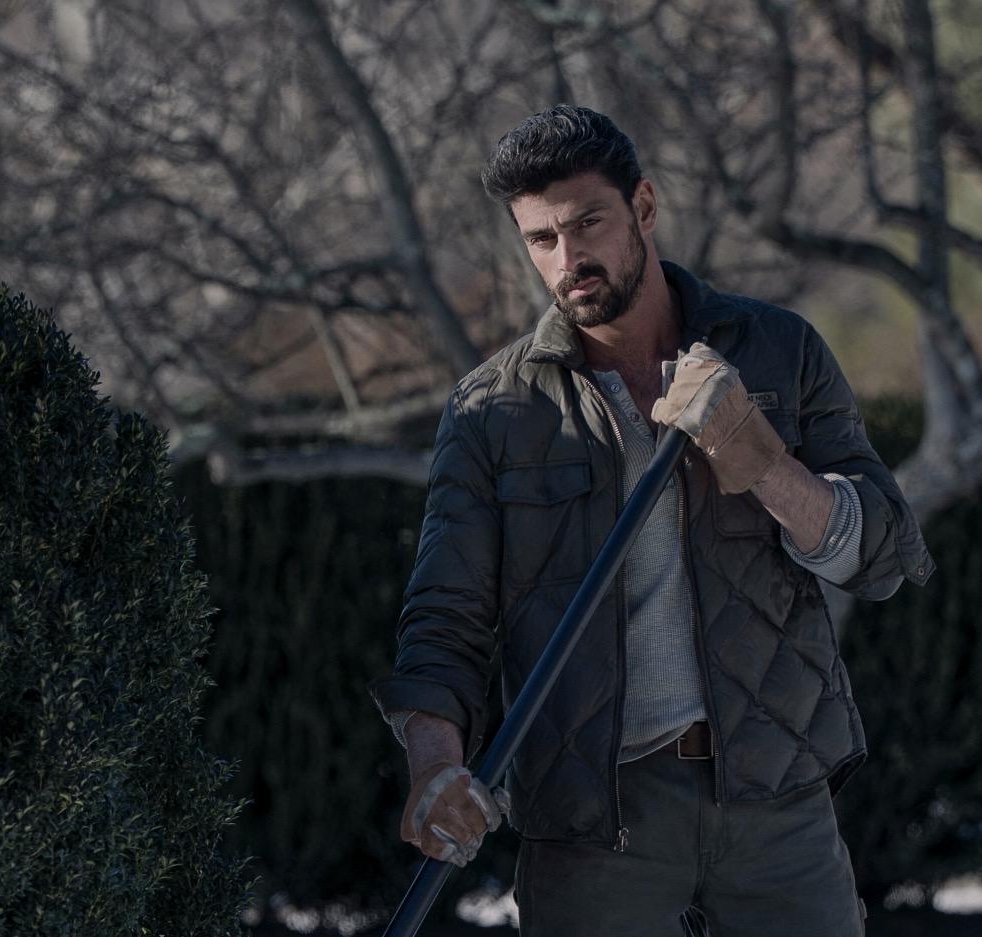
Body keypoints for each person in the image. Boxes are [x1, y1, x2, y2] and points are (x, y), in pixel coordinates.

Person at [370, 104, 933, 937]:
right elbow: (444, 619)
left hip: (774, 795)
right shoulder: (496, 410)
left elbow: (884, 552)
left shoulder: (776, 351)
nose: (568, 260)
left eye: (586, 224)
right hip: (593, 820)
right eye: (541, 239)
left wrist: (765, 464)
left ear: (643, 205)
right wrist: (434, 767)